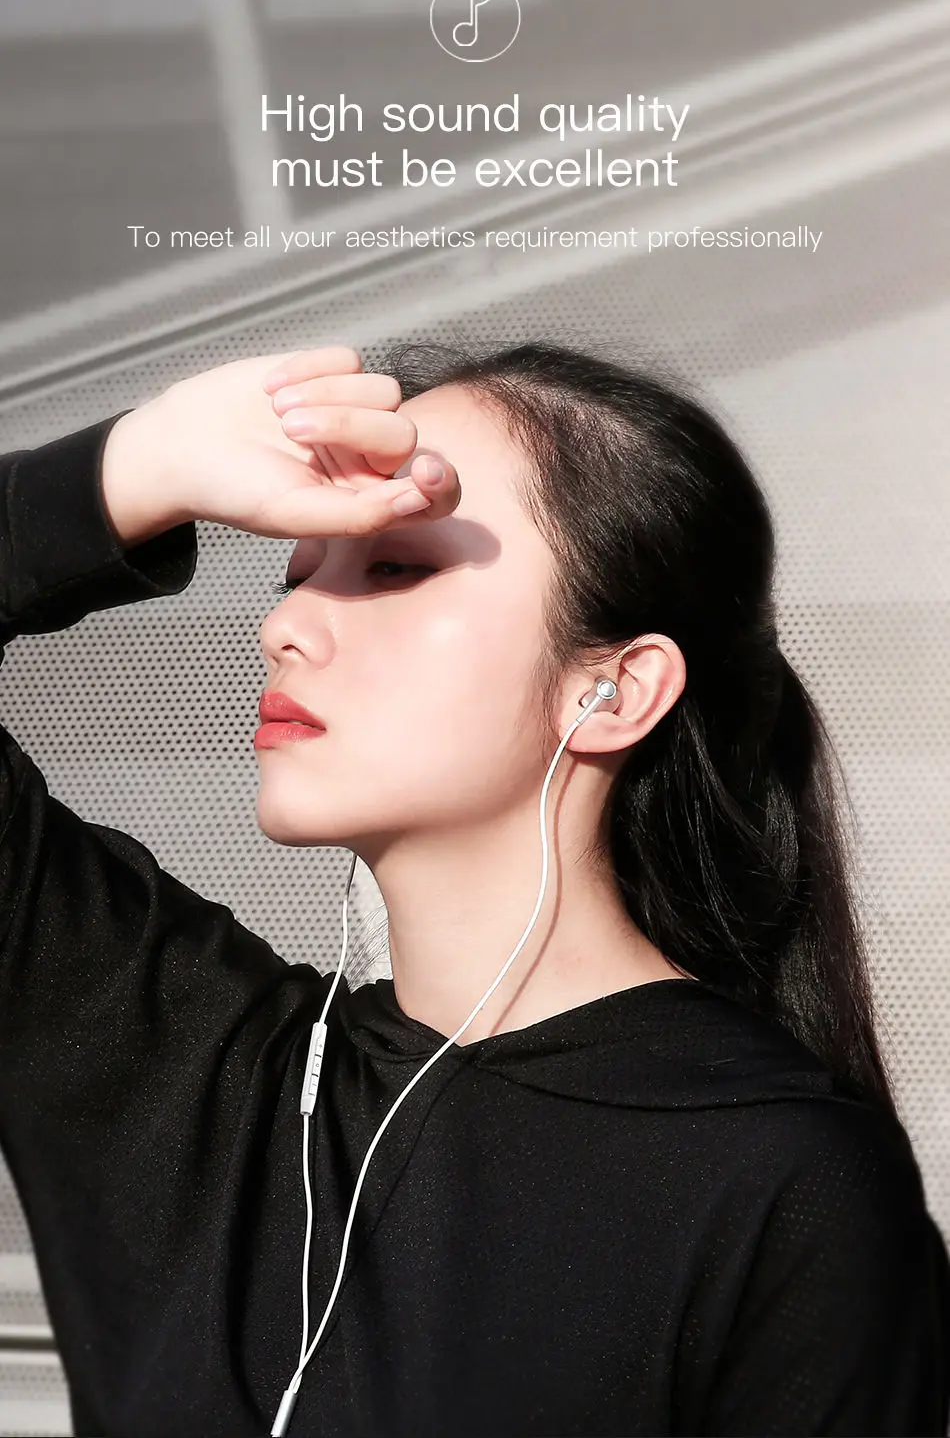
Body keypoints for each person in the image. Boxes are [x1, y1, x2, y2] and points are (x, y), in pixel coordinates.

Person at [0, 339, 946, 1438]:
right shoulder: (168, 1068)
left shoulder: (786, 1190)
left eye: (393, 568)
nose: (282, 626)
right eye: (295, 574)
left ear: (613, 688)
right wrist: (141, 463)